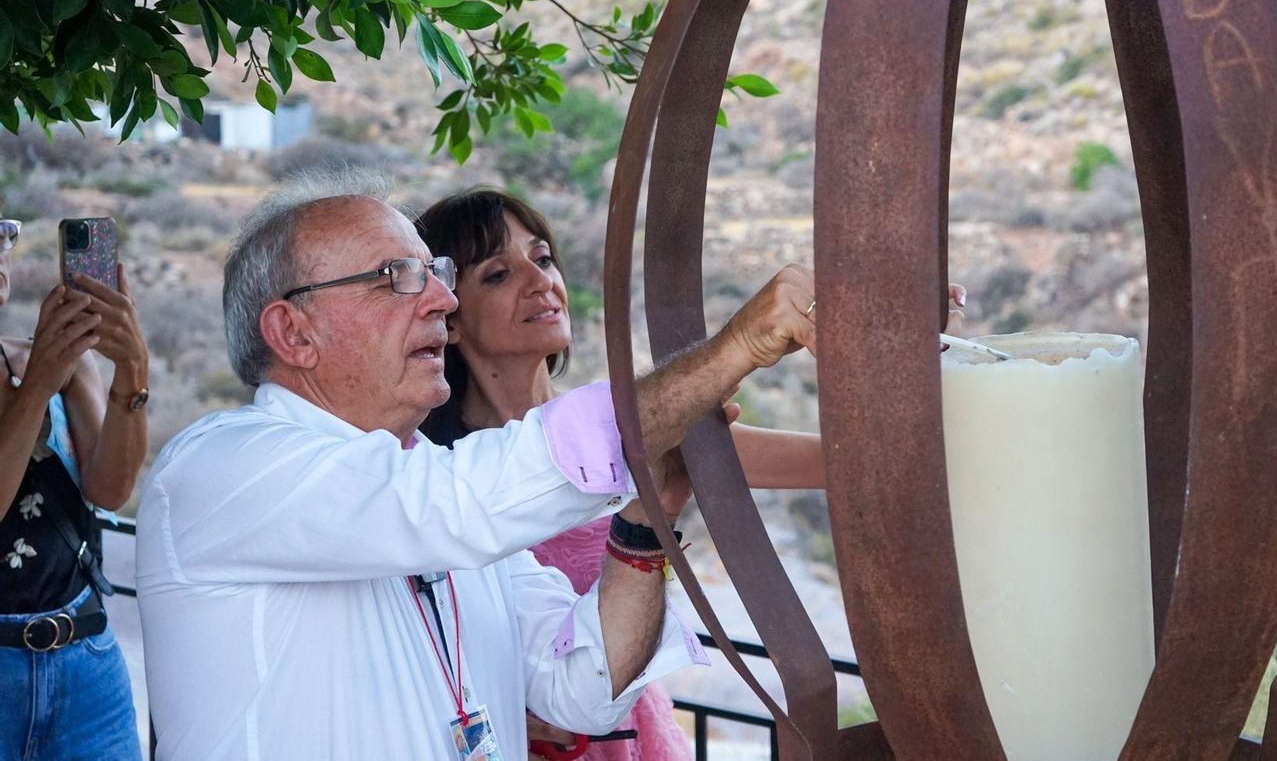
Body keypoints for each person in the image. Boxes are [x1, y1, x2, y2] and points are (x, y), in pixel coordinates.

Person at [135, 171, 819, 760]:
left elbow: (583, 690)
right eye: (395, 279)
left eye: (432, 274)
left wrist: (646, 519)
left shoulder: (440, 485)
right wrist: (735, 348)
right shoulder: (223, 469)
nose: (442, 298)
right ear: (294, 333)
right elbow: (456, 505)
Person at [415, 188, 831, 759]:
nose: (541, 283)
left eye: (542, 258)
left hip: (637, 740)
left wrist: (925, 359)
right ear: (449, 321)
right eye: (497, 275)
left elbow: (830, 463)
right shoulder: (436, 479)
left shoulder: (618, 424)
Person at [0, 215, 150, 760]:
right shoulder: (45, 366)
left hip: (85, 662)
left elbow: (110, 489)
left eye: (2, 232)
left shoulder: (56, 359)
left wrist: (132, 369)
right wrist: (37, 384)